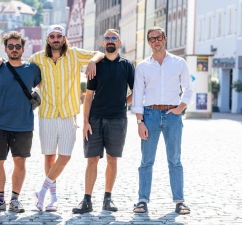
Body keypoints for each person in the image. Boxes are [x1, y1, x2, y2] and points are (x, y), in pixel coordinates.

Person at [0, 25, 104, 211]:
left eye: (58, 36)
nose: (55, 39)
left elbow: (99, 53)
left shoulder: (75, 54)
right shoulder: (36, 59)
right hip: (47, 114)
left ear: (63, 38)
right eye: (52, 36)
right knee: (50, 156)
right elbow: (18, 65)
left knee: (65, 156)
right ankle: (53, 198)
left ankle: (42, 192)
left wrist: (92, 61)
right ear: (47, 39)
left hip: (69, 114)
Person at [72, 29, 134, 214]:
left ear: (119, 42)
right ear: (103, 43)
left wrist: (123, 102)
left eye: (113, 38)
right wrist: (85, 121)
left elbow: (136, 90)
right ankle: (87, 200)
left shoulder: (127, 66)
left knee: (112, 159)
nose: (110, 41)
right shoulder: (96, 66)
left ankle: (108, 198)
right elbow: (89, 96)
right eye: (106, 38)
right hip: (96, 118)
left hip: (117, 119)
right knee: (92, 160)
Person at [131, 26, 192, 215]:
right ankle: (142, 201)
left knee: (175, 160)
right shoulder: (142, 67)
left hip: (172, 116)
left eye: (159, 37)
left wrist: (180, 108)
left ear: (165, 39)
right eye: (152, 39)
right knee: (146, 160)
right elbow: (138, 95)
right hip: (149, 115)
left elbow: (188, 89)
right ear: (148, 42)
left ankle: (179, 201)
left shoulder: (179, 63)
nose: (156, 41)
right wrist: (140, 121)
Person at [0, 31, 41, 213]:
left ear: (23, 48)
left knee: (20, 162)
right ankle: (0, 199)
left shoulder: (33, 69)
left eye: (17, 46)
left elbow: (45, 87)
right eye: (10, 46)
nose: (14, 49)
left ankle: (15, 199)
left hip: (24, 124)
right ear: (5, 49)